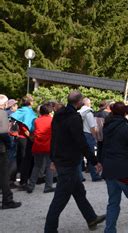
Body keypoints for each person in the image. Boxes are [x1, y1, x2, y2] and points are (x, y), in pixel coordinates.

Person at [45, 91, 105, 232]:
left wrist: (53, 159)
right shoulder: (74, 117)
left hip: (62, 159)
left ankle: (91, 218)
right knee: (60, 198)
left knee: (78, 192)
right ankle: (50, 229)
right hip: (69, 161)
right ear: (78, 102)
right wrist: (94, 161)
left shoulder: (58, 115)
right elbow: (81, 142)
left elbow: (54, 139)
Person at [100, 102, 128, 233]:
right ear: (125, 112)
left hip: (109, 168)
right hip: (124, 169)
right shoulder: (127, 127)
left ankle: (109, 230)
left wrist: (100, 161)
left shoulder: (107, 127)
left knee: (113, 202)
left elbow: (102, 145)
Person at [26, 103, 54, 193]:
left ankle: (31, 186)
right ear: (50, 111)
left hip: (37, 145)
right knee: (49, 166)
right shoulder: (52, 120)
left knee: (37, 166)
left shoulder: (36, 120)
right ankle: (48, 186)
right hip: (49, 146)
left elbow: (32, 133)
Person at [10, 95, 37, 189]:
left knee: (21, 159)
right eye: (32, 100)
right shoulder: (27, 111)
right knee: (26, 159)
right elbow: (23, 126)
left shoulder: (22, 110)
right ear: (30, 102)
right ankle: (23, 182)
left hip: (21, 138)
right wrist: (30, 137)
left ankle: (21, 179)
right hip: (25, 138)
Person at [0, 94, 21, 209]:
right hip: (1, 148)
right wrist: (9, 144)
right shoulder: (2, 113)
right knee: (4, 175)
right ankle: (7, 200)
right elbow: (3, 133)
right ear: (3, 104)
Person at [78, 98, 102, 182]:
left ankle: (79, 176)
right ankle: (95, 175)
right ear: (88, 104)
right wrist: (95, 137)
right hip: (88, 135)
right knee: (91, 155)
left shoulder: (78, 112)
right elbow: (92, 126)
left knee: (79, 157)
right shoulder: (88, 113)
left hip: (80, 134)